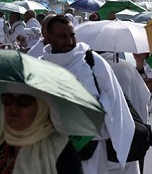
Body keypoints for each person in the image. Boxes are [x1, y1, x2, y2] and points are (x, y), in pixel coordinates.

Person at [41, 15, 135, 174]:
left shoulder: (91, 61)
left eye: (72, 35)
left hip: (92, 147)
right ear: (48, 37)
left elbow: (114, 99)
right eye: (62, 37)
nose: (69, 42)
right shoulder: (40, 65)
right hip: (54, 147)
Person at [0, 88, 82, 174]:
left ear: (41, 107)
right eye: (8, 99)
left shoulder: (60, 152)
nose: (14, 108)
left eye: (24, 101)